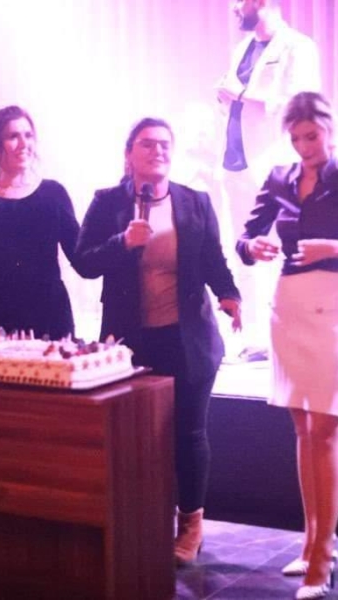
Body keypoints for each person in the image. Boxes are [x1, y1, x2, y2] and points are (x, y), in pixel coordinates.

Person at [75, 117, 242, 566]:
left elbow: (213, 260)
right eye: (148, 144)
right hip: (130, 344)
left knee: (189, 433)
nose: (158, 151)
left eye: (165, 144)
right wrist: (122, 242)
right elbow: (84, 262)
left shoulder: (194, 201)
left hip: (187, 341)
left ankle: (191, 525)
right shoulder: (108, 202)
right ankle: (145, 519)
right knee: (136, 436)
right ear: (129, 153)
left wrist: (229, 295)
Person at [235, 92, 338, 599]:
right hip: (289, 304)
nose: (304, 146)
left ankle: (324, 552)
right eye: (295, 138)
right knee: (302, 427)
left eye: (311, 136)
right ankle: (312, 540)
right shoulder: (279, 178)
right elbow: (244, 239)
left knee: (327, 429)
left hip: (335, 302)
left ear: (330, 130)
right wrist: (252, 246)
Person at [217, 0, 321, 352]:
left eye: (239, 1)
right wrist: (226, 98)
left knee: (280, 249)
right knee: (243, 250)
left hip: (274, 164)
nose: (233, 7)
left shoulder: (298, 47)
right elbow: (239, 103)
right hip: (235, 162)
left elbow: (301, 105)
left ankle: (287, 335)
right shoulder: (242, 49)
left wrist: (243, 95)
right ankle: (254, 338)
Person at [0, 105, 80, 340]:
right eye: (13, 136)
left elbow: (81, 257)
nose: (24, 144)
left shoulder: (54, 193)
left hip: (51, 316)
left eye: (28, 135)